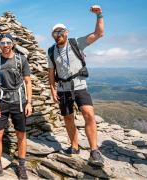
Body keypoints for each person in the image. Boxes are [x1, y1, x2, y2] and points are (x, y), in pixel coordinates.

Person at [47, 5, 105, 167]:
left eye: (60, 32)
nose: (57, 35)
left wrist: (99, 15)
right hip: (63, 88)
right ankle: (74, 146)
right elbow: (51, 72)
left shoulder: (76, 43)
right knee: (68, 118)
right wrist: (52, 89)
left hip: (79, 85)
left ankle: (94, 150)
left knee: (88, 114)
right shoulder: (51, 51)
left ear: (66, 32)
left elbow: (98, 33)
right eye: (54, 33)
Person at [0, 33, 32, 180]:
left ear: (13, 43)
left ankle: (22, 166)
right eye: (2, 43)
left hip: (19, 101)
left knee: (21, 134)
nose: (5, 45)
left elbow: (28, 82)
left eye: (7, 42)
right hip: (2, 101)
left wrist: (29, 102)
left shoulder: (21, 59)